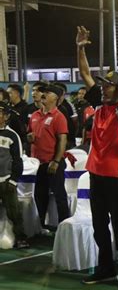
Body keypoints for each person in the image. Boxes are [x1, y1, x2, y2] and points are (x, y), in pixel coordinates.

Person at [76, 26, 118, 290]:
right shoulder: (98, 105)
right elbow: (84, 73)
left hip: (117, 178)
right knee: (98, 226)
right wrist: (80, 47)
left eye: (109, 86)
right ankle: (106, 268)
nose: (104, 89)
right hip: (96, 174)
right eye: (103, 85)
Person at [27, 84, 70, 230]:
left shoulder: (59, 117)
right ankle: (40, 226)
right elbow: (28, 134)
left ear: (55, 98)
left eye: (48, 92)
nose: (44, 94)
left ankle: (64, 226)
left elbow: (62, 140)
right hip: (37, 163)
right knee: (40, 196)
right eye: (43, 92)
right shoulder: (34, 115)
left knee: (59, 195)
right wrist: (29, 137)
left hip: (53, 162)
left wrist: (56, 161)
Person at [0, 102, 29, 249]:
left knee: (14, 211)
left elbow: (18, 160)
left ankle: (21, 238)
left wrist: (13, 180)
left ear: (6, 116)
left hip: (5, 180)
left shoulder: (12, 135)